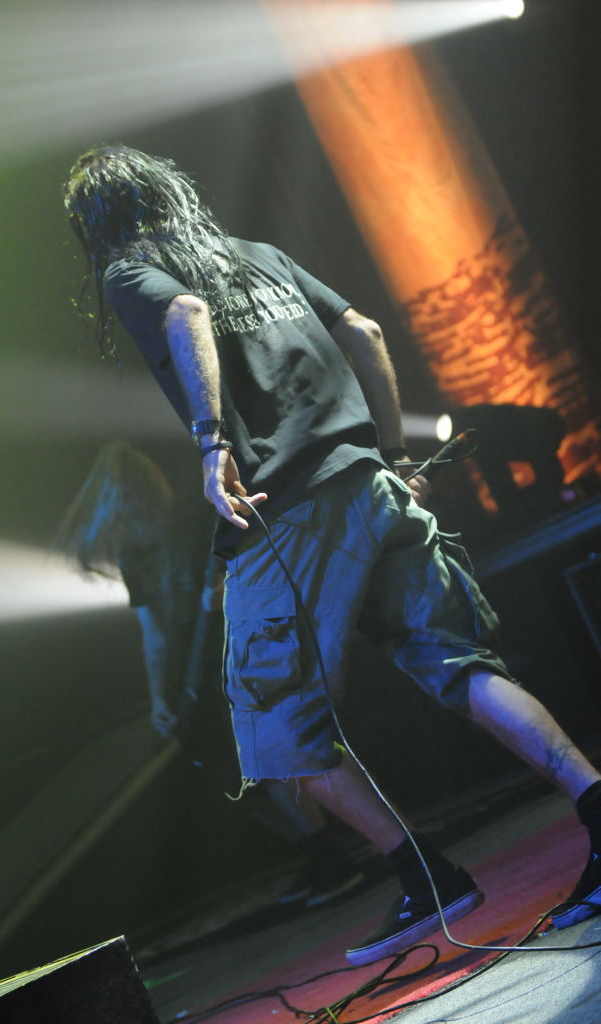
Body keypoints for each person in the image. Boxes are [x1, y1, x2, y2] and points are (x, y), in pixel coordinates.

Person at [62, 145, 601, 965]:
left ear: (96, 223)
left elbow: (189, 314)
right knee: (460, 667)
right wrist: (394, 455)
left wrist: (212, 446)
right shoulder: (259, 256)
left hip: (287, 514)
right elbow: (364, 329)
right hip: (371, 486)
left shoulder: (130, 272)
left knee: (274, 730)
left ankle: (426, 877)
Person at [54, 439, 365, 908]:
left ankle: (328, 854)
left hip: (235, 655)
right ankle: (316, 850)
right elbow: (155, 634)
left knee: (268, 762)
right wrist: (162, 698)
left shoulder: (188, 523)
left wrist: (225, 591)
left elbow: (251, 558)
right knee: (237, 777)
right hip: (199, 674)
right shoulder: (136, 554)